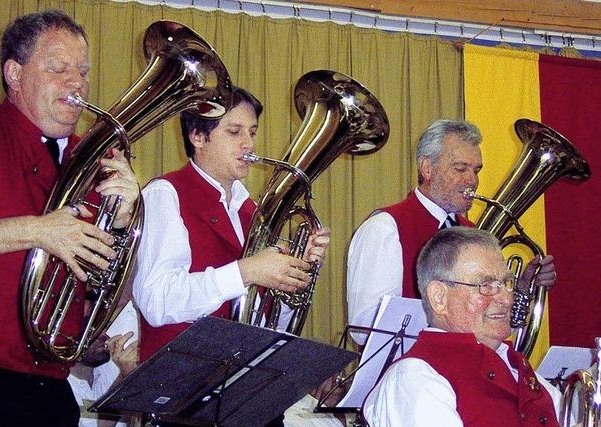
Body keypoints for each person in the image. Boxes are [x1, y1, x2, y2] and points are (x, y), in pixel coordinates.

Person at [0, 10, 139, 425]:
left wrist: (125, 221)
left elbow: (112, 287)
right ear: (14, 73)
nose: (76, 82)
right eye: (58, 68)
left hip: (51, 386)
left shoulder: (94, 161)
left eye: (83, 71)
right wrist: (38, 231)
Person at [132, 87, 330, 361]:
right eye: (234, 132)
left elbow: (266, 325)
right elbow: (157, 302)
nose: (248, 143)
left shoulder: (252, 212)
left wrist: (293, 274)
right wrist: (245, 272)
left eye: (252, 132)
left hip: (234, 381)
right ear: (198, 137)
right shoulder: (165, 193)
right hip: (175, 382)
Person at [346, 119, 556, 343]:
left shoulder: (473, 233)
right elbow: (364, 329)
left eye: (476, 170)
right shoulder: (385, 227)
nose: (472, 181)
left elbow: (491, 330)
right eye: (460, 169)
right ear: (427, 168)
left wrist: (522, 291)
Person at [363, 227, 562, 426]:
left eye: (506, 283)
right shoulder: (414, 377)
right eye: (486, 285)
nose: (506, 299)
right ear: (439, 297)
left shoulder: (514, 364)